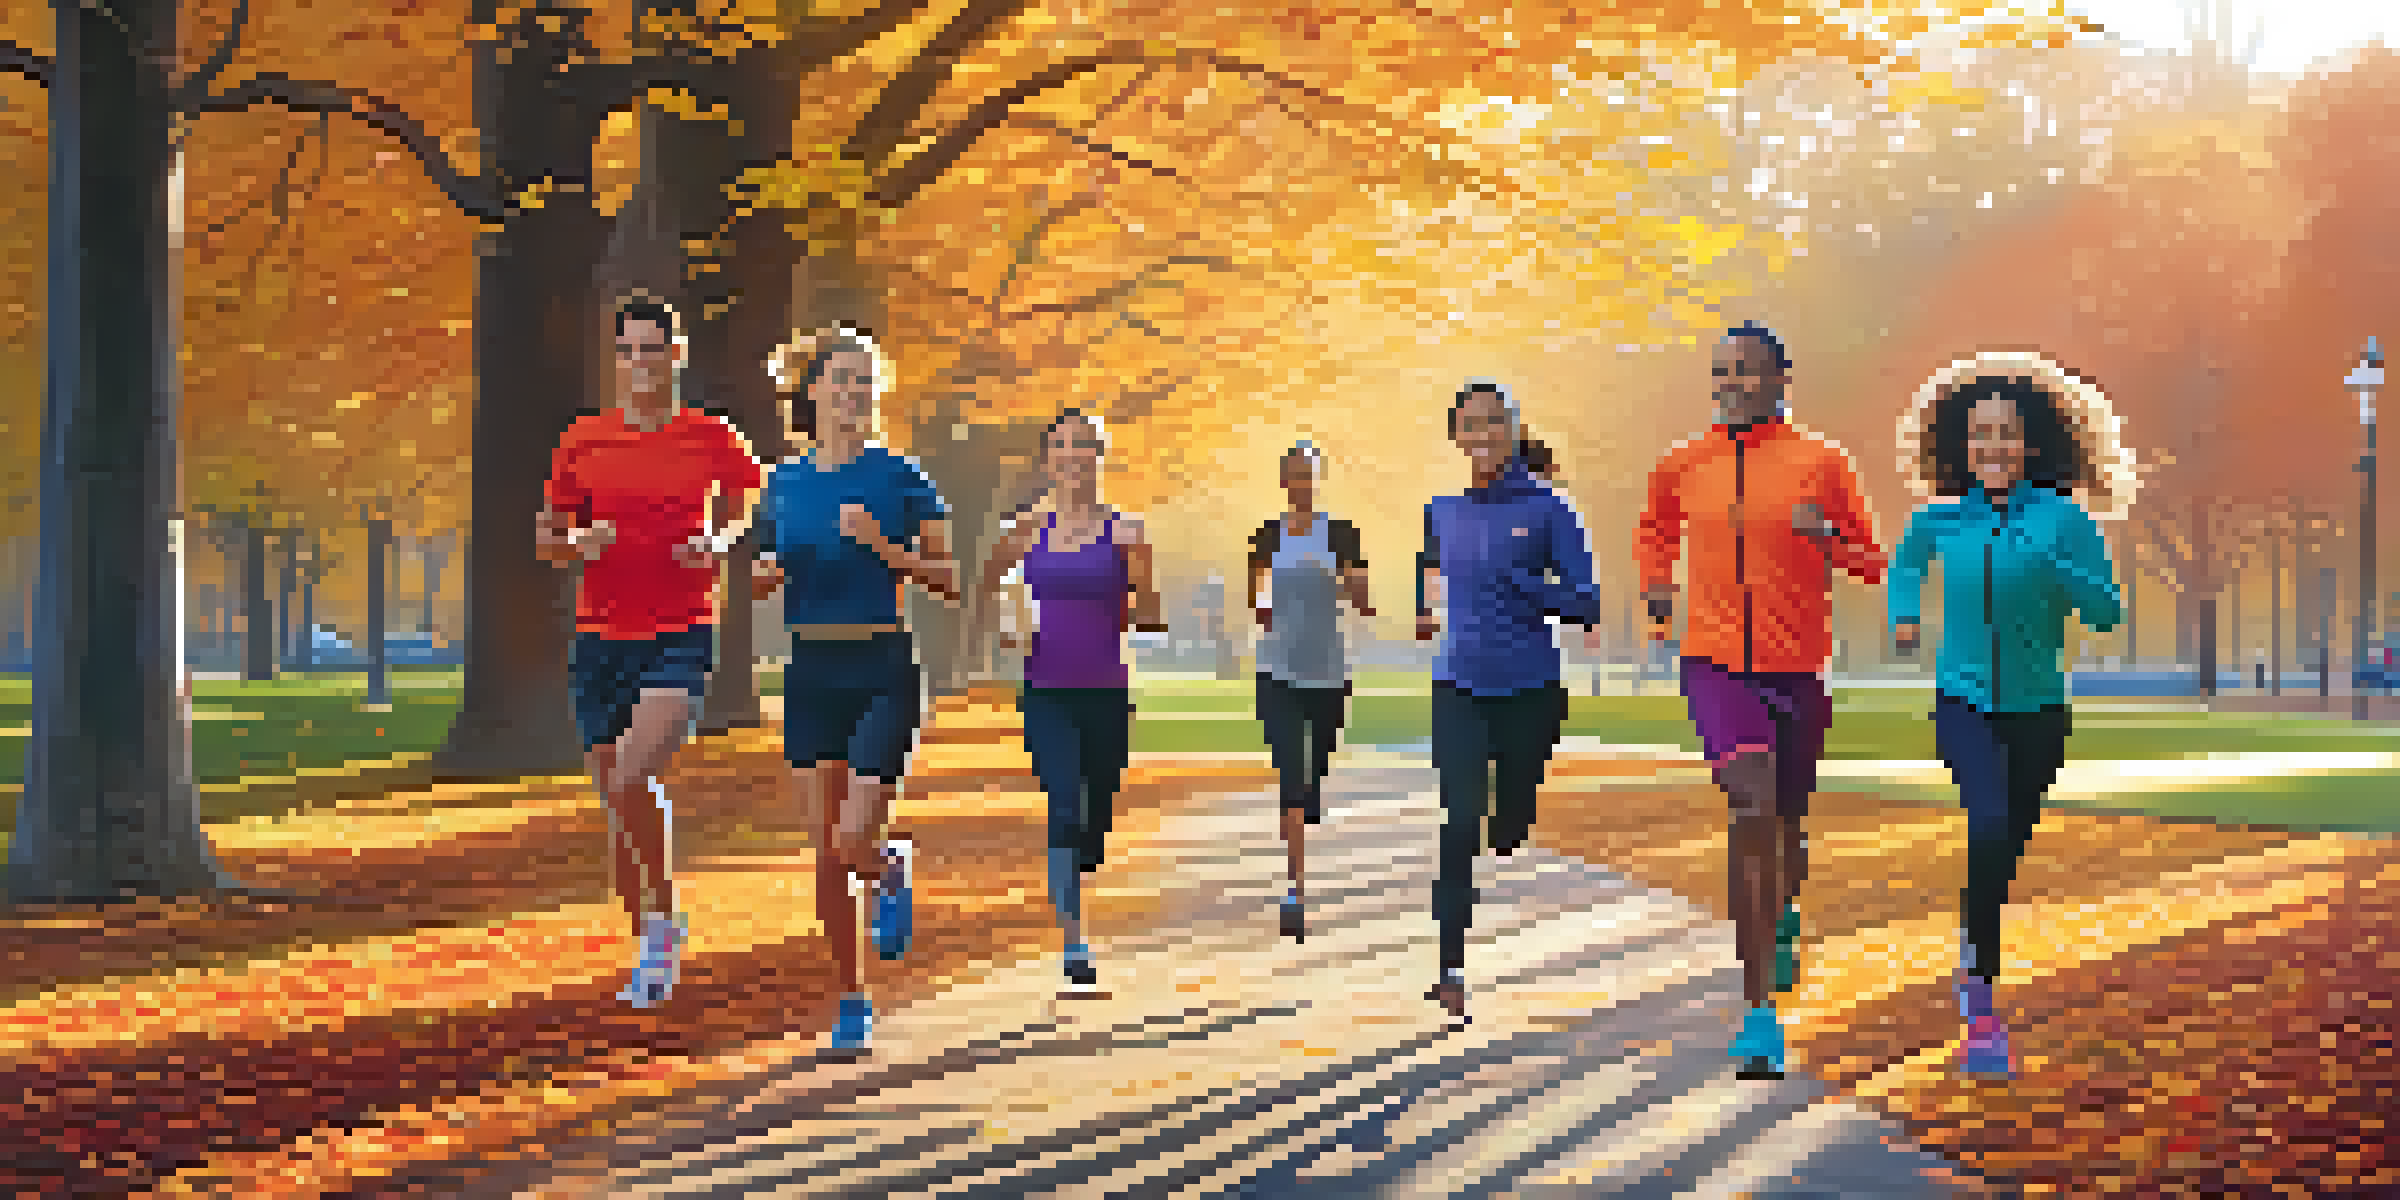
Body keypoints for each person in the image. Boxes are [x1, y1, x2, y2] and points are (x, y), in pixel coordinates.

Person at [1636, 322, 1888, 1079]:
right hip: (1714, 663)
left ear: (1782, 378)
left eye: (1746, 371)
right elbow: (1655, 531)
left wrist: (1824, 543)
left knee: (1786, 825)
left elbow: (1872, 562)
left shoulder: (1823, 463)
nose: (1731, 383)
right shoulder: (1683, 464)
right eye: (1721, 372)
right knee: (1749, 809)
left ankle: (1782, 915)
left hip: (1798, 671)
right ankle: (1758, 1015)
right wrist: (1656, 586)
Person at [1890, 350, 2135, 1079]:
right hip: (1962, 700)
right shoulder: (1938, 521)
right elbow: (1906, 565)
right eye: (1978, 435)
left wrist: (2053, 565)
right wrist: (1905, 618)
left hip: (2040, 714)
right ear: (1958, 447)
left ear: (2031, 444)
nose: (1991, 447)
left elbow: (2107, 611)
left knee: (2002, 849)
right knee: (1988, 824)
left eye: (2005, 434)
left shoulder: (2064, 521)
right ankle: (1983, 1004)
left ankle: (1974, 946)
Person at [538, 295, 765, 1008]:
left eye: (652, 349)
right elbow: (547, 540)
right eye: (628, 351)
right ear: (618, 360)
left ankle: (664, 922)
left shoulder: (708, 436)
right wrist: (580, 545)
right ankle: (649, 932)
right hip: (601, 638)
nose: (640, 363)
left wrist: (719, 542)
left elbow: (747, 499)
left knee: (634, 775)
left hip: (679, 631)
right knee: (619, 805)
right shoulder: (584, 441)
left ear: (678, 354)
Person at [754, 324, 960, 1055]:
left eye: (865, 380)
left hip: (880, 669)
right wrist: (760, 577)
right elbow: (759, 570)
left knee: (851, 838)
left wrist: (884, 548)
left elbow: (952, 580)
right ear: (812, 391)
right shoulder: (783, 484)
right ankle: (851, 999)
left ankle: (889, 864)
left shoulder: (902, 479)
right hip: (810, 672)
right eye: (841, 378)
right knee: (825, 854)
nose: (853, 392)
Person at [1417, 380, 1599, 1022]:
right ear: (1457, 437)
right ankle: (1451, 966)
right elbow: (1430, 564)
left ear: (1514, 430)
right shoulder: (1443, 510)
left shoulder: (1551, 509)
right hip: (1458, 684)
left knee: (1507, 823)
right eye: (1473, 424)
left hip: (1531, 691)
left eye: (1497, 422)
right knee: (1459, 819)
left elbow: (1587, 599)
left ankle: (1512, 820)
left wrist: (1523, 585)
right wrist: (1424, 605)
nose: (1485, 434)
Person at [978, 409, 1167, 995]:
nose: (1074, 459)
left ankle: (1084, 852)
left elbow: (1151, 617)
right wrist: (1011, 616)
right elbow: (989, 583)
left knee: (1095, 815)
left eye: (1084, 448)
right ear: (1048, 461)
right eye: (1063, 449)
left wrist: (1143, 565)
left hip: (1107, 691)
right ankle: (1073, 941)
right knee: (1065, 805)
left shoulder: (1124, 531)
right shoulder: (1028, 530)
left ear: (1099, 457)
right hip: (1046, 691)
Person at [1247, 441, 1374, 941]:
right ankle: (1295, 888)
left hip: (1327, 673)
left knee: (1314, 772)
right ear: (1283, 481)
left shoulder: (1341, 535)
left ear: (1320, 480)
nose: (1300, 483)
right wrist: (1261, 604)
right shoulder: (1267, 536)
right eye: (1293, 475)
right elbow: (1255, 592)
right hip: (1275, 670)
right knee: (1290, 773)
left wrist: (1345, 581)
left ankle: (1307, 801)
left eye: (1309, 475)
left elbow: (1363, 601)